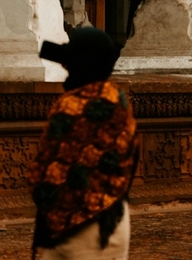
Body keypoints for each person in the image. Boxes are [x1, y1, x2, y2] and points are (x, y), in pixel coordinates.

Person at [31, 27, 139, 259]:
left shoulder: (71, 106)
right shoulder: (118, 101)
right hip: (112, 219)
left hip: (75, 227)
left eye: (70, 62)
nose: (65, 67)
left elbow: (49, 169)